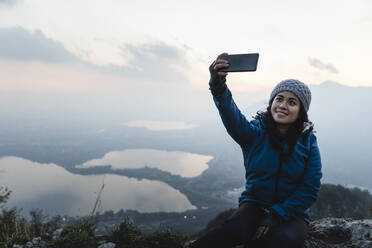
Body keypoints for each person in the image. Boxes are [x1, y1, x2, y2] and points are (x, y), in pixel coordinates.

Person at [187, 54, 322, 248]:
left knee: (284, 240)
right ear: (271, 102)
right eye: (280, 98)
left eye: (292, 102)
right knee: (231, 231)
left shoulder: (308, 141)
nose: (283, 105)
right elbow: (230, 114)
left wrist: (277, 216)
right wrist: (218, 87)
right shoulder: (254, 133)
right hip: (254, 205)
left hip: (293, 213)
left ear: (301, 111)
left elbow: (310, 187)